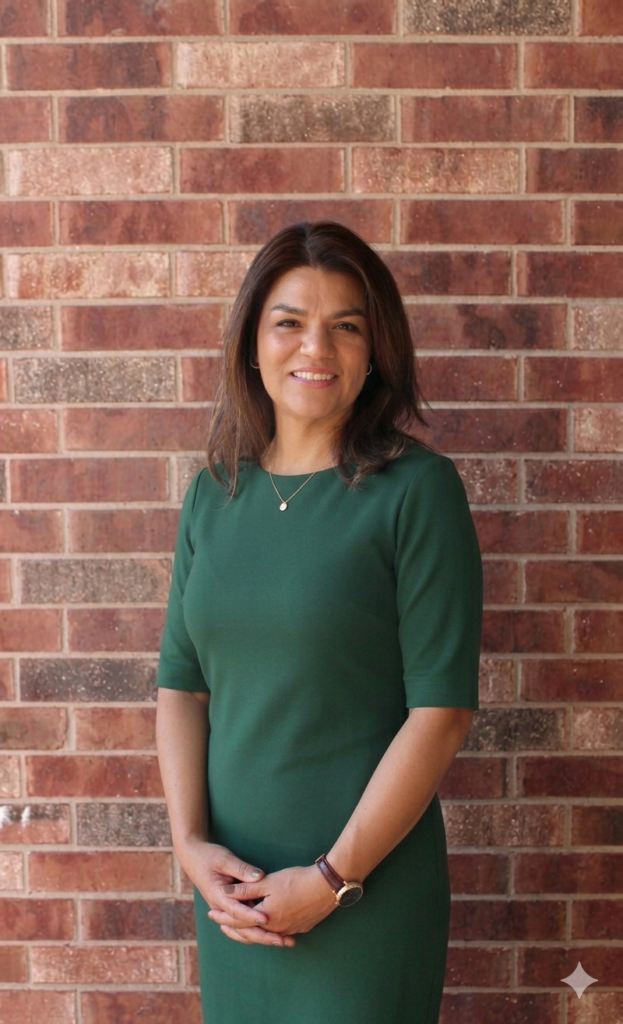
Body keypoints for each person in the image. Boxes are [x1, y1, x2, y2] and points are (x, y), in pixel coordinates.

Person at [156, 221, 482, 1024]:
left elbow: (440, 715)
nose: (316, 348)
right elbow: (181, 688)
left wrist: (333, 880)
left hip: (364, 894)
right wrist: (190, 847)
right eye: (289, 322)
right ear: (252, 343)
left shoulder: (417, 492)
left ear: (376, 352)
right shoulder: (212, 495)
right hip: (234, 900)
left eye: (346, 326)